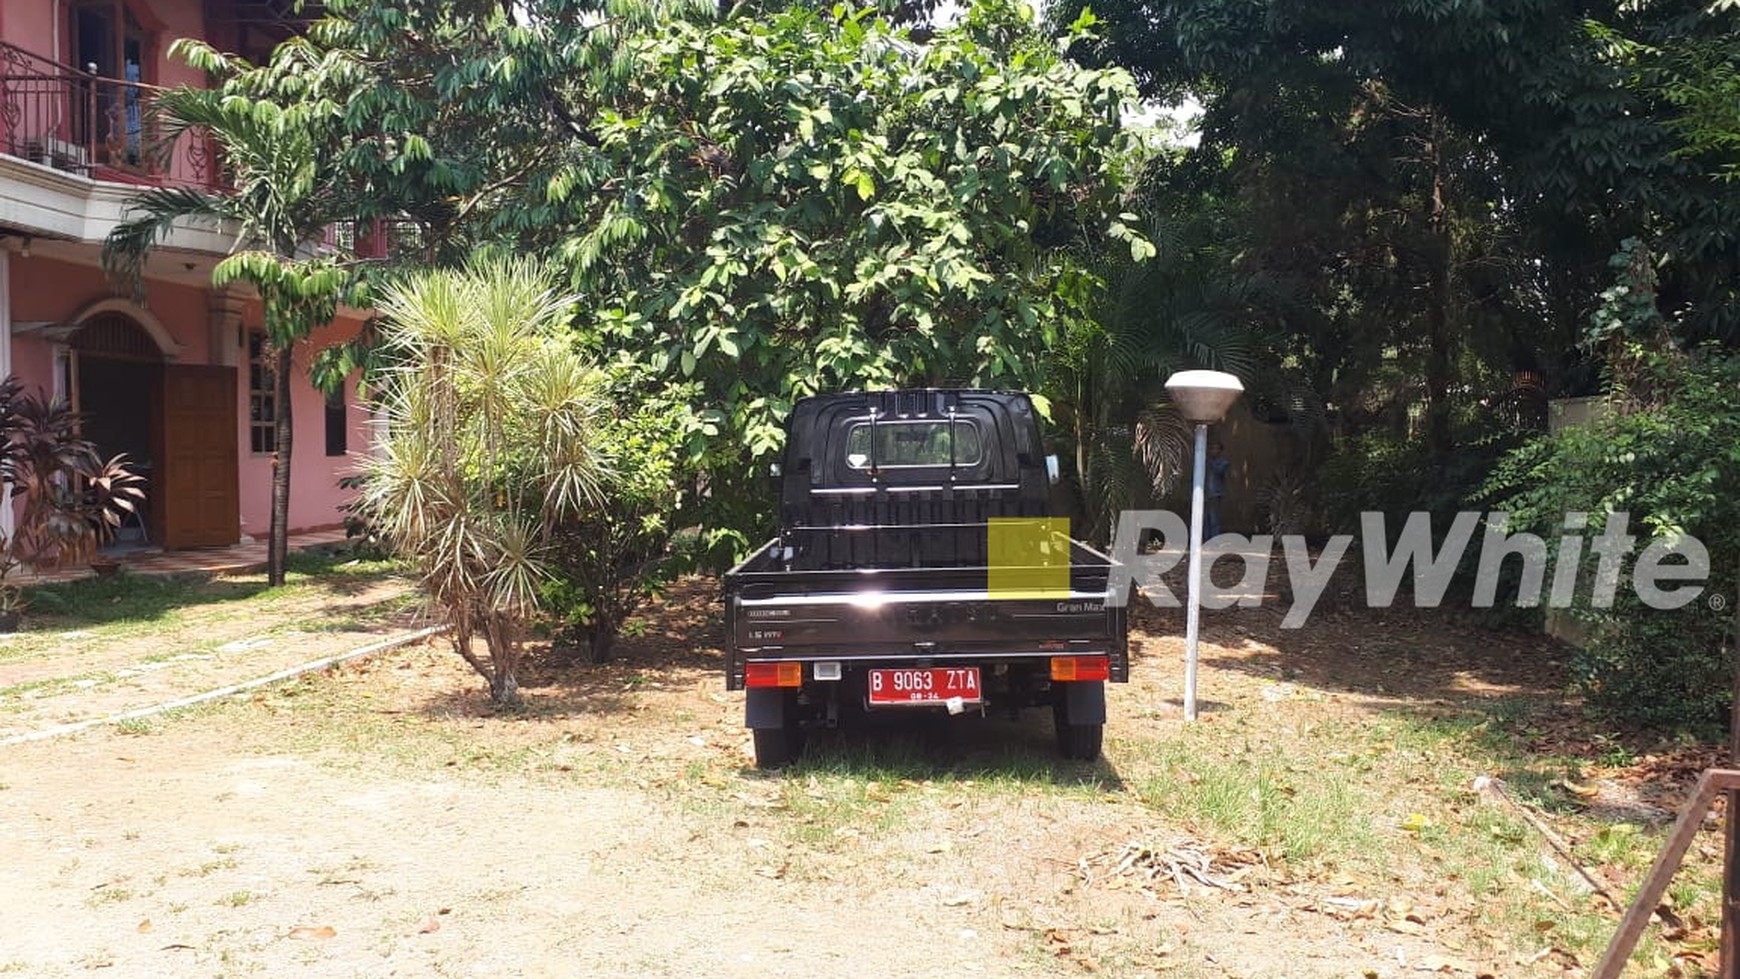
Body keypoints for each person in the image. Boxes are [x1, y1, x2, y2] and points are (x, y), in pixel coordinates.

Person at [1204, 439, 1230, 539]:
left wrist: (1210, 462)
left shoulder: (1223, 462)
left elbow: (1219, 471)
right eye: (1211, 448)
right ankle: (1206, 539)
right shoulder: (1205, 460)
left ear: (1220, 450)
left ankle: (1214, 540)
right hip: (1205, 493)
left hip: (1215, 494)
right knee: (1205, 519)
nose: (1213, 451)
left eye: (1216, 449)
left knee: (1214, 519)